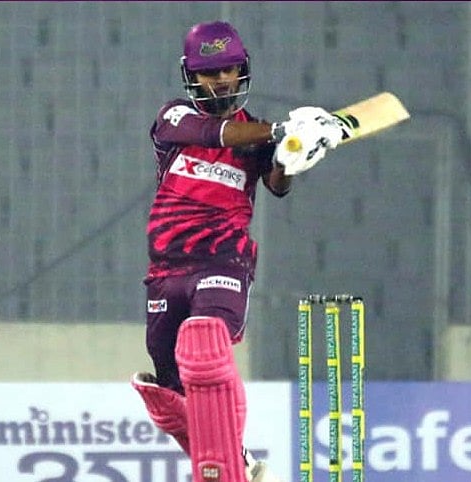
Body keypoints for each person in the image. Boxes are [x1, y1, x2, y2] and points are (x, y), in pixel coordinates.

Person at [130, 20, 346, 482]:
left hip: (224, 261)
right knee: (171, 390)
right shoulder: (174, 120)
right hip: (166, 269)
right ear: (192, 77)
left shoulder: (259, 137)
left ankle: (227, 465)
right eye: (212, 73)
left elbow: (278, 185)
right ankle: (237, 461)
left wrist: (291, 158)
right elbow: (216, 135)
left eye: (230, 70)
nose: (224, 80)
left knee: (204, 348)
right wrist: (285, 129)